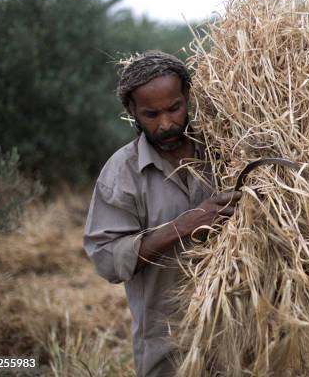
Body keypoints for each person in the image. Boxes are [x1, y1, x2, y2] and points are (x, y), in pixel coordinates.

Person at [83, 50, 241, 377]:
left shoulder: (227, 153)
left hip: (238, 333)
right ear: (132, 111)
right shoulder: (121, 175)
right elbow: (108, 260)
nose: (166, 124)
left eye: (174, 108)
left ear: (187, 97)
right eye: (151, 114)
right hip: (168, 343)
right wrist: (182, 226)